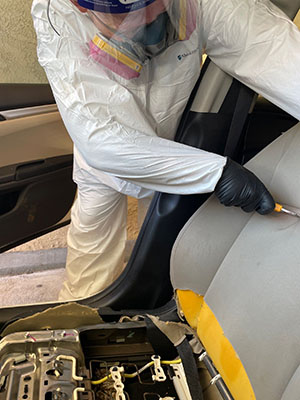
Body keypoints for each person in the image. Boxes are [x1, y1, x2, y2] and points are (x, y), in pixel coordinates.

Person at [31, 0, 300, 300]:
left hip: (174, 148)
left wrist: (191, 170)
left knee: (162, 257)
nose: (153, 14)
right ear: (81, 7)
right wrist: (216, 174)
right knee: (89, 260)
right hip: (103, 165)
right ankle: (76, 323)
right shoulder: (57, 17)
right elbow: (101, 136)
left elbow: (272, 51)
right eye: (128, 13)